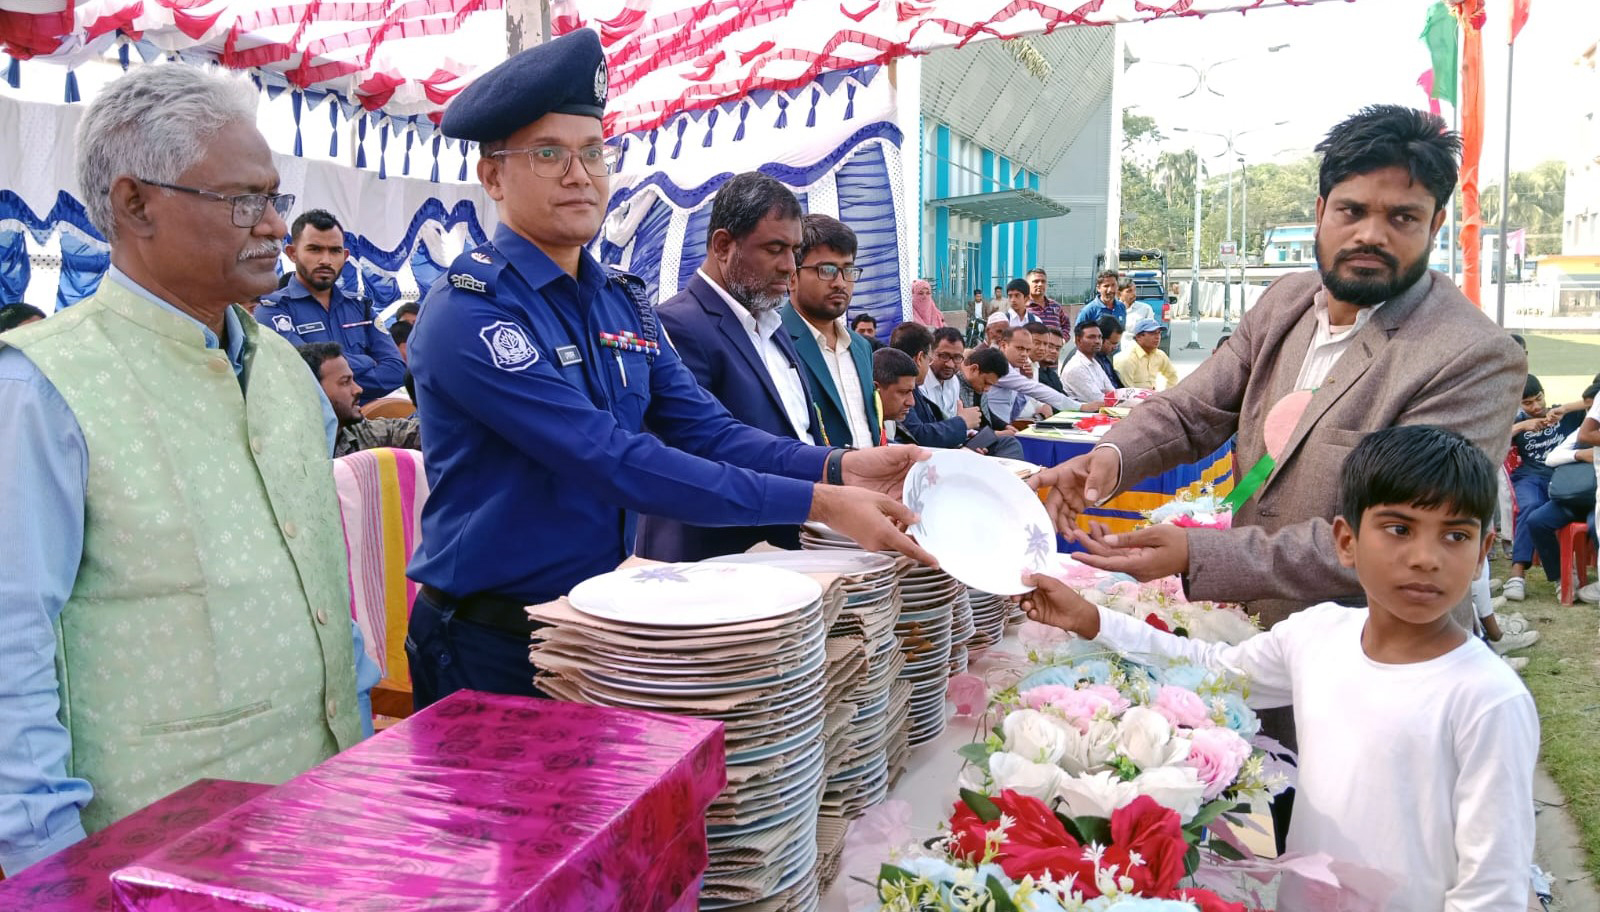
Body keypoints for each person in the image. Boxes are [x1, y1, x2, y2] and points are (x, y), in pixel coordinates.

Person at [1029, 105, 1526, 846]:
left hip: (1381, 684)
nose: (1371, 234)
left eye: (1402, 217)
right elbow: (1198, 408)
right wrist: (1112, 458)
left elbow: (1397, 541)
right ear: (1320, 208)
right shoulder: (1289, 301)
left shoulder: (1466, 354)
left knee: (1371, 862)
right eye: (1353, 210)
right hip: (1267, 660)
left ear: (1436, 224)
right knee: (1290, 857)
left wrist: (1201, 556)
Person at [406, 31, 933, 709]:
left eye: (593, 152)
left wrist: (838, 468)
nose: (580, 174)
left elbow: (709, 432)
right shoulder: (470, 314)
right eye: (549, 153)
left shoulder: (619, 299)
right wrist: (818, 503)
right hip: (491, 641)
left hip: (598, 625)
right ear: (493, 176)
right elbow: (610, 459)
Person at [0, 65, 375, 873]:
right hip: (155, 849)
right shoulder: (44, 387)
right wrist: (48, 859)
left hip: (325, 816)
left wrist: (364, 747)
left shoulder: (285, 373)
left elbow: (321, 587)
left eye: (275, 196)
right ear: (136, 204)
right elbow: (9, 644)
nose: (274, 225)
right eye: (244, 200)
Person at [1022, 425, 1537, 911]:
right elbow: (1210, 668)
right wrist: (1092, 619)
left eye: (1455, 536)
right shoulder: (1319, 635)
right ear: (1346, 542)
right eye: (1399, 528)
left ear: (1483, 551)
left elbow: (1493, 886)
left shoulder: (1487, 698)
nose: (1426, 557)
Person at [634, 171, 820, 560]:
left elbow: (798, 433)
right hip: (716, 562)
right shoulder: (677, 325)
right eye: (774, 248)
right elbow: (706, 450)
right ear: (723, 245)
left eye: (795, 251)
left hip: (785, 550)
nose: (790, 266)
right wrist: (833, 477)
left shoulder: (772, 324)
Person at [256, 210, 406, 405]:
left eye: (334, 251)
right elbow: (301, 370)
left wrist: (333, 377)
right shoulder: (273, 310)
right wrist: (367, 362)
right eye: (315, 249)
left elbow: (395, 371)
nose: (325, 260)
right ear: (292, 253)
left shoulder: (362, 308)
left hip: (363, 426)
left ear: (344, 256)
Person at [783, 214, 881, 448]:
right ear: (792, 277)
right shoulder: (774, 340)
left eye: (848, 270)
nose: (840, 282)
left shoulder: (860, 346)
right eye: (826, 270)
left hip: (870, 481)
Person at [1501, 374, 1582, 601]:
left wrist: (1563, 409)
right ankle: (1518, 574)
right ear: (1518, 403)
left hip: (1564, 476)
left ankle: (1562, 576)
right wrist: (1522, 425)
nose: (1536, 407)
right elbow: (1492, 439)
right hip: (1531, 476)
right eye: (1527, 403)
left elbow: (1592, 402)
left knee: (1546, 513)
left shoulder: (1564, 414)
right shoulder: (1518, 421)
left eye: (1539, 398)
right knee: (1531, 506)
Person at [299, 342, 421, 458]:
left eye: (353, 380)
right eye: (345, 382)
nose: (358, 389)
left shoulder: (361, 433)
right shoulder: (291, 451)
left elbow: (421, 432)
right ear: (314, 391)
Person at [1058, 318, 1115, 404]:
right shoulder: (1075, 367)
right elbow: (1099, 400)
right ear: (1078, 340)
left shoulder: (1095, 363)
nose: (1097, 341)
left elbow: (1112, 392)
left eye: (1099, 337)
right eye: (1091, 337)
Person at [1114, 317, 1179, 391]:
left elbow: (1173, 376)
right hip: (1133, 400)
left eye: (1159, 333)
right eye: (1152, 333)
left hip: (1152, 398)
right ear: (1139, 337)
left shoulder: (1160, 355)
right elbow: (1126, 391)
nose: (1157, 337)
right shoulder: (1127, 358)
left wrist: (1166, 394)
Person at [873, 347, 919, 443]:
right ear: (875, 388)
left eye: (911, 392)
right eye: (903, 392)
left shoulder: (890, 422)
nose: (911, 402)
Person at [1023, 267, 1064, 334]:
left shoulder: (1055, 306)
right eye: (1036, 281)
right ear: (1027, 284)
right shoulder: (1022, 307)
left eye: (1043, 281)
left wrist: (1062, 339)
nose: (1040, 284)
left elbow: (1066, 325)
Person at [1094, 314, 1125, 387]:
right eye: (1113, 343)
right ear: (1101, 339)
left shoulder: (1104, 356)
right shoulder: (1088, 359)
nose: (1115, 348)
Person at [1033, 325, 1065, 394]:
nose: (1054, 351)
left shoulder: (1053, 376)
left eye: (1058, 348)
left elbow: (1065, 400)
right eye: (1050, 346)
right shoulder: (1029, 372)